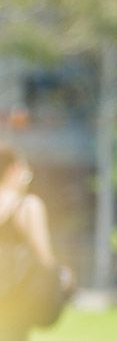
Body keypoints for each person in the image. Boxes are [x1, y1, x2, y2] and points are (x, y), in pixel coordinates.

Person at [0, 144, 74, 340]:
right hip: (13, 295)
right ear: (13, 169)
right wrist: (63, 276)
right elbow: (44, 257)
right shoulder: (27, 206)